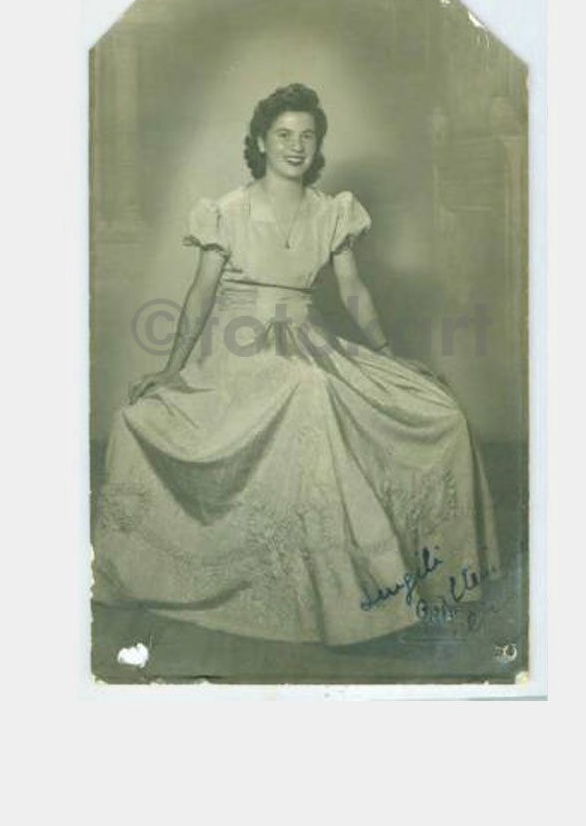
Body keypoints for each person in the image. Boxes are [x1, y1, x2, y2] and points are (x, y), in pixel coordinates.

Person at [92, 83, 499, 646]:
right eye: (283, 134)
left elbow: (353, 292)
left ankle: (397, 577)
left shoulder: (332, 212)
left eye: (307, 136)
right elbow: (200, 296)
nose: (296, 146)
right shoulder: (226, 213)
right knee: (301, 387)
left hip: (314, 344)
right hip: (239, 354)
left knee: (440, 413)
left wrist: (390, 357)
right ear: (260, 141)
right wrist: (170, 370)